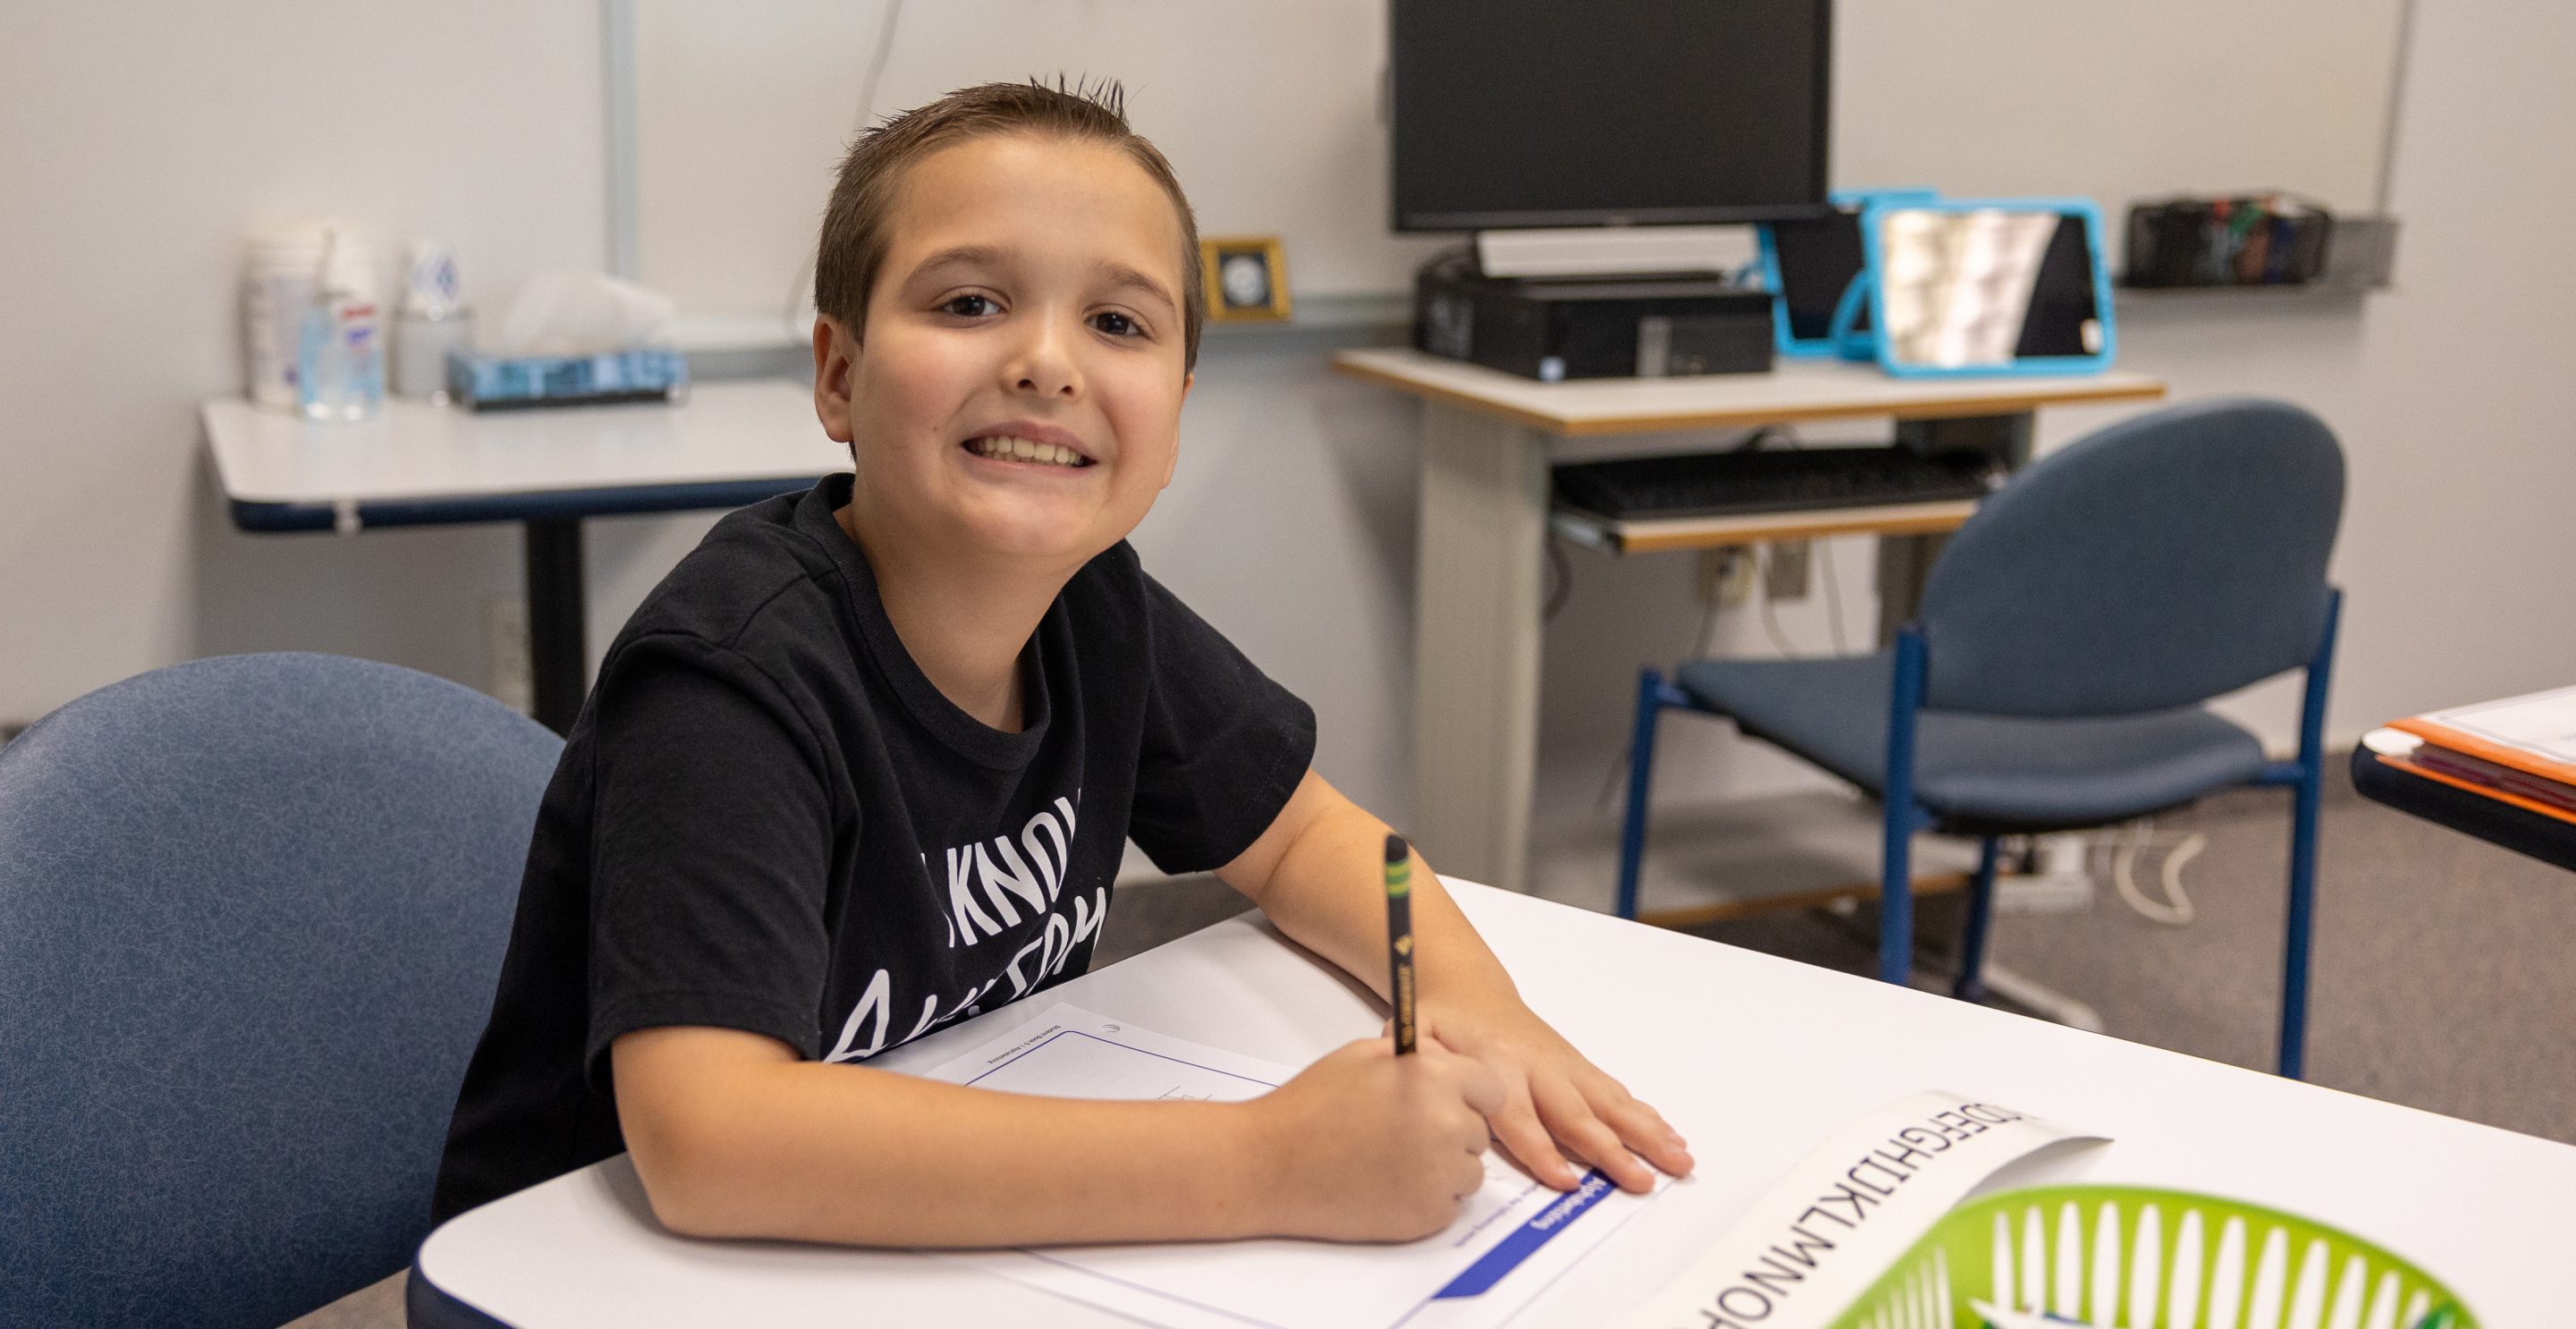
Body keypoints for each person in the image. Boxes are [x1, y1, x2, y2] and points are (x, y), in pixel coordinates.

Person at [433, 79, 1692, 1247]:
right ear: (840, 375)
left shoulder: (1097, 609)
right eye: (969, 303)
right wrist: (1270, 1161)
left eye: (1117, 321)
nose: (1047, 360)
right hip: (586, 1271)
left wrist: (1483, 1008)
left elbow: (1305, 835)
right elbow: (710, 1142)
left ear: (1176, 411)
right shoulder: (730, 682)